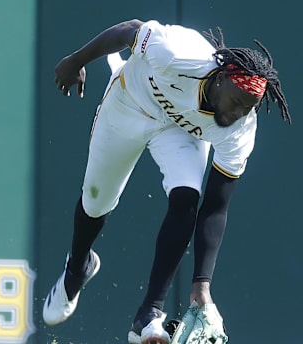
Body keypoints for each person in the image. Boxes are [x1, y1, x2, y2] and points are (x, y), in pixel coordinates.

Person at [42, 19, 291, 344]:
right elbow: (128, 30)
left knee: (187, 197)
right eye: (236, 102)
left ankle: (149, 312)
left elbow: (215, 207)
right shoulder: (179, 54)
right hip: (129, 103)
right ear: (221, 78)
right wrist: (76, 61)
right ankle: (78, 267)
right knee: (95, 200)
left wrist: (201, 286)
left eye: (249, 108)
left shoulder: (240, 128)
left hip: (178, 131)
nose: (238, 113)